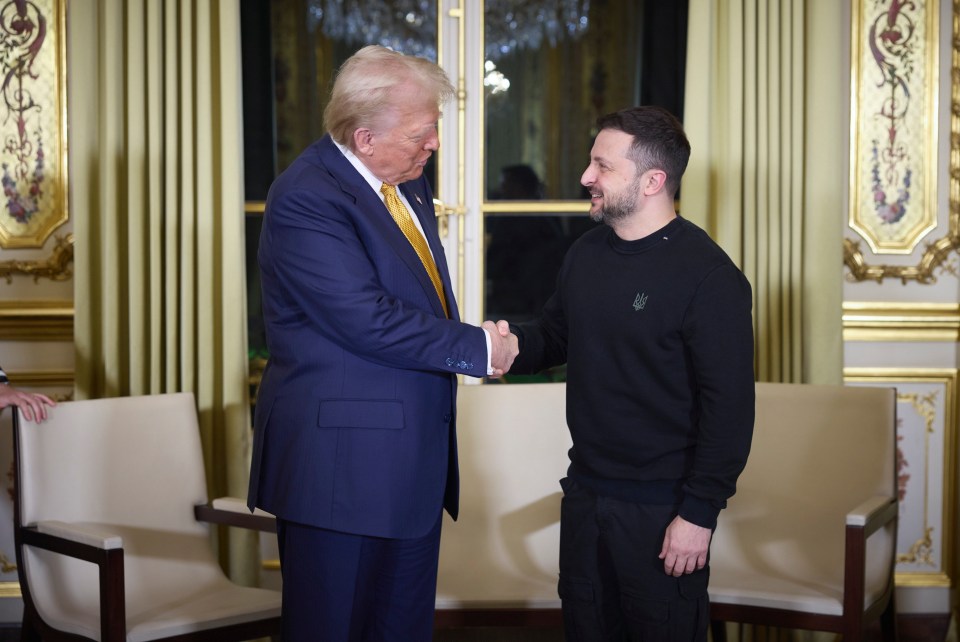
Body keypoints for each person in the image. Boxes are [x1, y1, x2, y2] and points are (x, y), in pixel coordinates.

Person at [246, 45, 518, 641]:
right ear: (364, 138)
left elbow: (414, 301)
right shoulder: (307, 197)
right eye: (423, 133)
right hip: (340, 473)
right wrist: (476, 347)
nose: (434, 145)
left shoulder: (405, 181)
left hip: (410, 468)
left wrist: (470, 339)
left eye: (435, 128)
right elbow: (364, 318)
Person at [499, 105, 755, 641]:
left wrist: (699, 514)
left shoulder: (710, 277)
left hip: (665, 511)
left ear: (652, 181)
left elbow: (728, 411)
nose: (586, 177)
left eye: (603, 166)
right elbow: (554, 336)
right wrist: (499, 348)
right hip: (587, 494)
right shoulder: (587, 253)